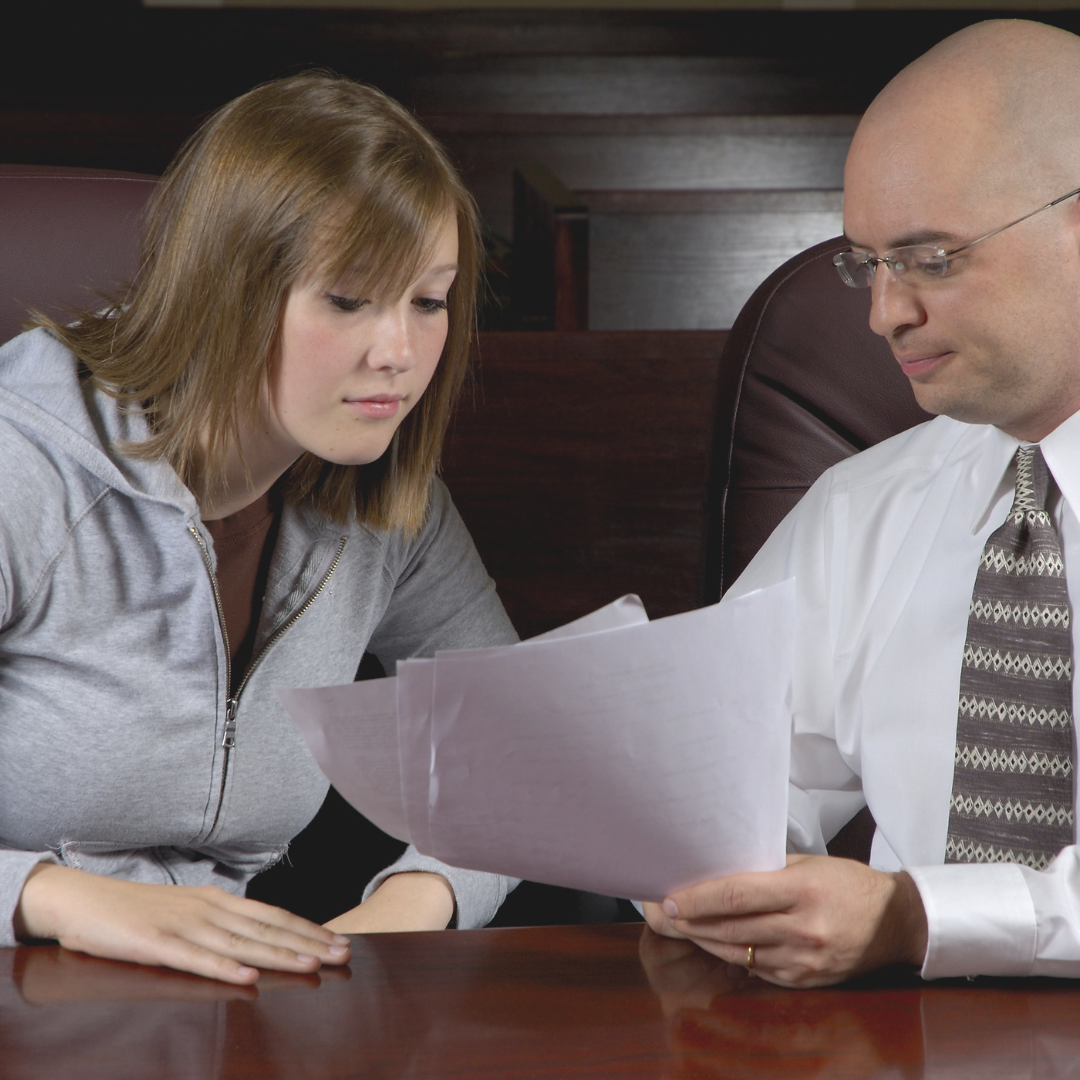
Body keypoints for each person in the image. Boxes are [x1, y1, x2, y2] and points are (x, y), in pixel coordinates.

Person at [0, 73, 517, 984]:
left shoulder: (392, 503)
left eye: (428, 301)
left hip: (229, 1006)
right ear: (225, 289)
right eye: (349, 299)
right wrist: (52, 898)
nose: (398, 351)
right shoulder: (20, 469)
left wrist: (403, 911)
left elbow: (522, 751)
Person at [645, 19, 1080, 985]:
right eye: (868, 264)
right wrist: (684, 855)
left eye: (931, 258)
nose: (886, 314)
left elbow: (905, 917)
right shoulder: (861, 507)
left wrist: (921, 917)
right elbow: (719, 781)